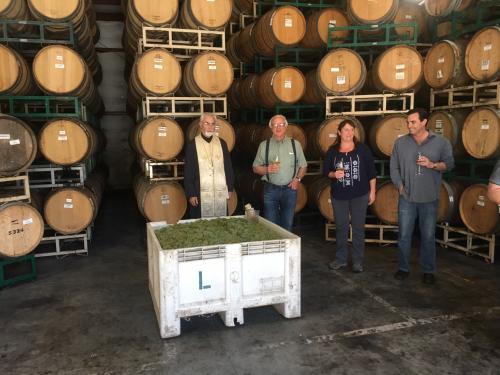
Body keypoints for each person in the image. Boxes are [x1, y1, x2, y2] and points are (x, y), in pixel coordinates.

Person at [390, 108, 454, 285]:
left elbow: (449, 164)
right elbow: (393, 167)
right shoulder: (400, 143)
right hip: (407, 197)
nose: (409, 125)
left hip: (429, 198)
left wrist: (432, 165)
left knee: (427, 236)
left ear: (424, 122)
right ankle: (403, 268)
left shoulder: (441, 142)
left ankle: (428, 270)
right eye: (408, 122)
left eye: (413, 122)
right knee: (404, 235)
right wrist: (400, 186)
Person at [324, 119, 377, 273]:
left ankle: (358, 261)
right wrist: (334, 174)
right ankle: (341, 259)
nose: (349, 133)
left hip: (359, 194)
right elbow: (325, 171)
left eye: (351, 130)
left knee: (358, 228)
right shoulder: (332, 151)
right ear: (339, 132)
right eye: (345, 130)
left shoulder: (363, 150)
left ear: (354, 132)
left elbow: (371, 173)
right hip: (339, 195)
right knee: (341, 227)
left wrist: (372, 191)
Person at [252, 114, 307, 231]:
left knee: (287, 224)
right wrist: (267, 169)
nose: (278, 127)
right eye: (275, 125)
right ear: (271, 127)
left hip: (290, 190)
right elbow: (255, 167)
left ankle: (286, 249)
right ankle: (274, 248)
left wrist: (298, 179)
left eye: (281, 124)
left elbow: (303, 166)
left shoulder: (295, 144)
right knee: (271, 226)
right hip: (270, 190)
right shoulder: (264, 145)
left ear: (286, 127)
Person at [184, 113, 234, 219]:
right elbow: (188, 171)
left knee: (220, 222)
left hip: (219, 190)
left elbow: (228, 168)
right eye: (207, 123)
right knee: (201, 224)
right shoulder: (193, 145)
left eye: (212, 124)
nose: (210, 127)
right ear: (200, 125)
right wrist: (191, 193)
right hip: (199, 192)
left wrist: (229, 188)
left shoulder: (222, 144)